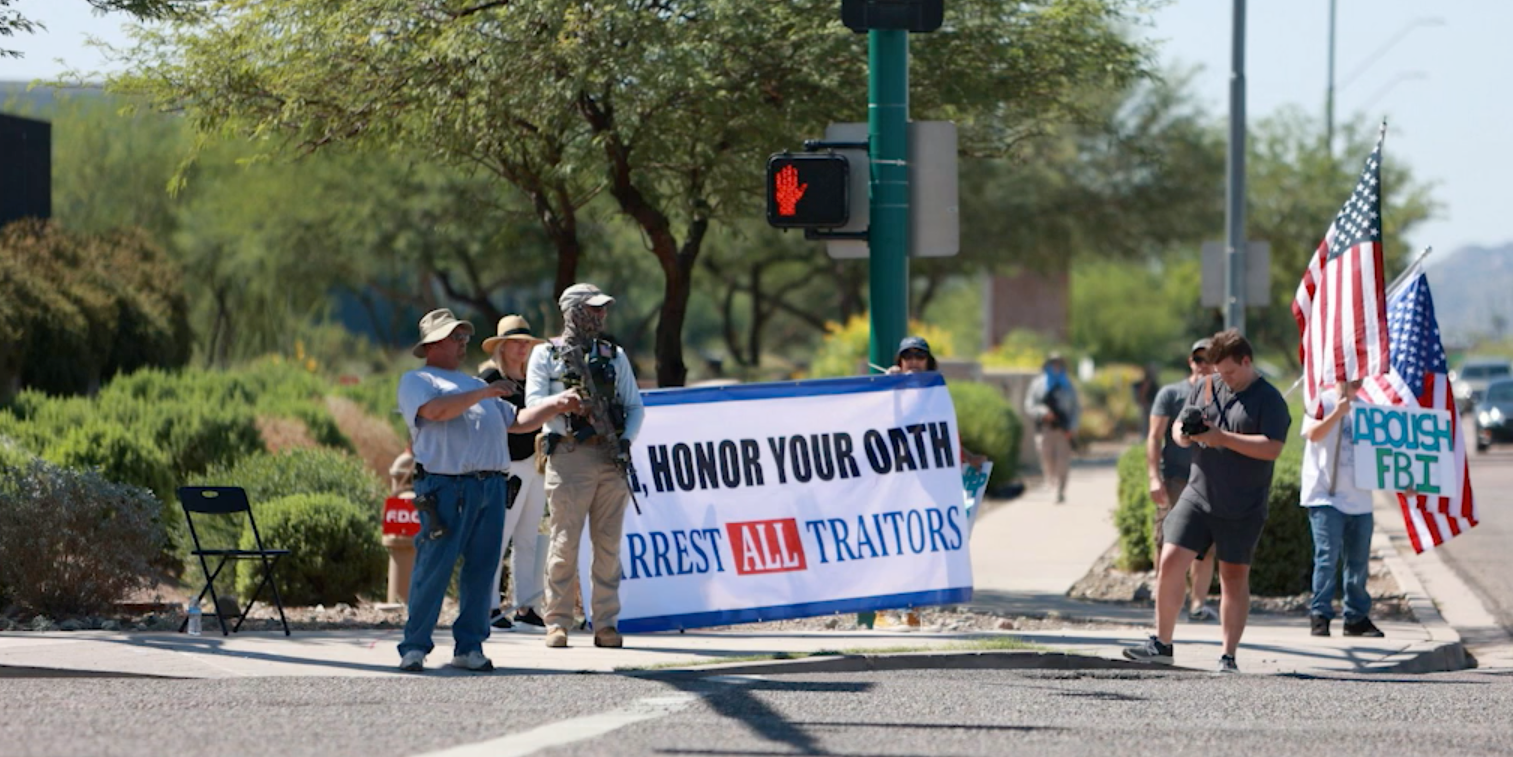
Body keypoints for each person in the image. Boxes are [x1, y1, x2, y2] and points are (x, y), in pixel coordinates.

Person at [395, 309, 579, 673]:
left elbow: (519, 422)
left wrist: (556, 404)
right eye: (454, 336)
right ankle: (414, 647)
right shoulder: (418, 380)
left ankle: (470, 647)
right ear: (432, 344)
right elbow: (436, 412)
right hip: (445, 487)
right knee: (434, 568)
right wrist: (485, 391)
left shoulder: (473, 384)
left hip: (491, 486)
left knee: (482, 570)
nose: (462, 342)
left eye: (464, 336)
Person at [1124, 329, 1291, 674]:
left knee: (1232, 577)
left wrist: (1222, 438)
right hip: (1198, 495)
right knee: (1170, 559)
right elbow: (1177, 429)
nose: (1223, 378)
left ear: (1247, 362)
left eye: (1229, 372)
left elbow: (1272, 447)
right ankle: (1161, 644)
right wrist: (1183, 435)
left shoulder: (1269, 399)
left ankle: (1228, 656)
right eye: (1218, 372)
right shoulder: (1207, 386)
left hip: (1242, 504)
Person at [526, 283, 645, 649]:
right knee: (564, 543)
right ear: (573, 312)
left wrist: (624, 441)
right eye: (593, 310)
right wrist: (563, 405)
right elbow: (533, 405)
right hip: (570, 455)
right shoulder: (546, 355)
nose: (601, 316)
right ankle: (557, 622)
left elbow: (635, 405)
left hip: (610, 459)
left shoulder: (614, 355)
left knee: (608, 547)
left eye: (603, 310)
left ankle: (605, 624)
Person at [479, 314, 550, 630]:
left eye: (526, 343)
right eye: (516, 343)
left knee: (528, 539)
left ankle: (526, 605)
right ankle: (490, 604)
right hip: (508, 466)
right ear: (502, 346)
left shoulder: (533, 380)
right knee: (499, 536)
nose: (522, 349)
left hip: (535, 465)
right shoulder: (490, 379)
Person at [1300, 379, 1385, 638]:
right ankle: (1321, 615)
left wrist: (1404, 482)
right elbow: (1313, 434)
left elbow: (1382, 453)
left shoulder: (1369, 408)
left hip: (1360, 498)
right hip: (1327, 496)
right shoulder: (1321, 402)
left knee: (1358, 562)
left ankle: (1356, 617)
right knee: (1327, 558)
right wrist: (1337, 412)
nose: (1357, 379)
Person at [1145, 339, 1218, 623]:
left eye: (1208, 359)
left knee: (1205, 549)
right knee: (1166, 542)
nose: (1203, 365)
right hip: (1175, 479)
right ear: (1191, 362)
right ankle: (1165, 601)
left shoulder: (1221, 396)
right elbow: (1153, 437)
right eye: (1198, 360)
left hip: (1209, 481)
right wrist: (1153, 477)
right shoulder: (1171, 393)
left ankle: (1198, 605)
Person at [1024, 353, 1080, 503]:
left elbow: (1075, 408)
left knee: (1063, 461)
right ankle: (1051, 483)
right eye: (1053, 363)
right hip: (1045, 428)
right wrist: (1042, 412)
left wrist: (1072, 427)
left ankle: (1060, 489)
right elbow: (1029, 404)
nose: (1056, 366)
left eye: (1058, 364)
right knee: (1046, 459)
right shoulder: (1038, 384)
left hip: (1063, 429)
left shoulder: (1068, 384)